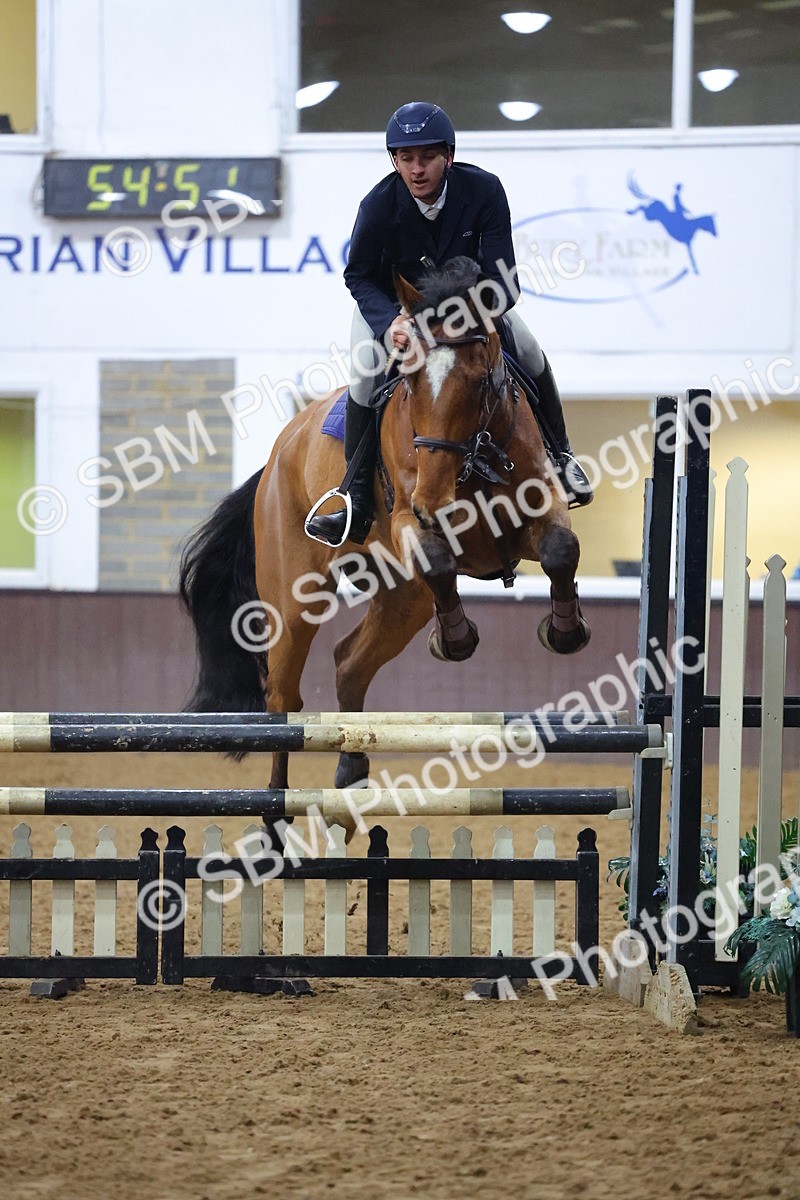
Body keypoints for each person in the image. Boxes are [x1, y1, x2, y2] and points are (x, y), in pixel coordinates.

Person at [307, 101, 593, 547]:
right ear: (395, 161)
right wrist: (389, 325)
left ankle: (562, 459)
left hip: (472, 309)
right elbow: (358, 275)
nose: (416, 169)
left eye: (427, 158)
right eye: (406, 159)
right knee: (363, 379)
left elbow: (504, 278)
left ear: (449, 157)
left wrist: (471, 313)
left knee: (531, 351)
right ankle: (357, 498)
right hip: (398, 311)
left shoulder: (483, 190)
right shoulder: (379, 205)